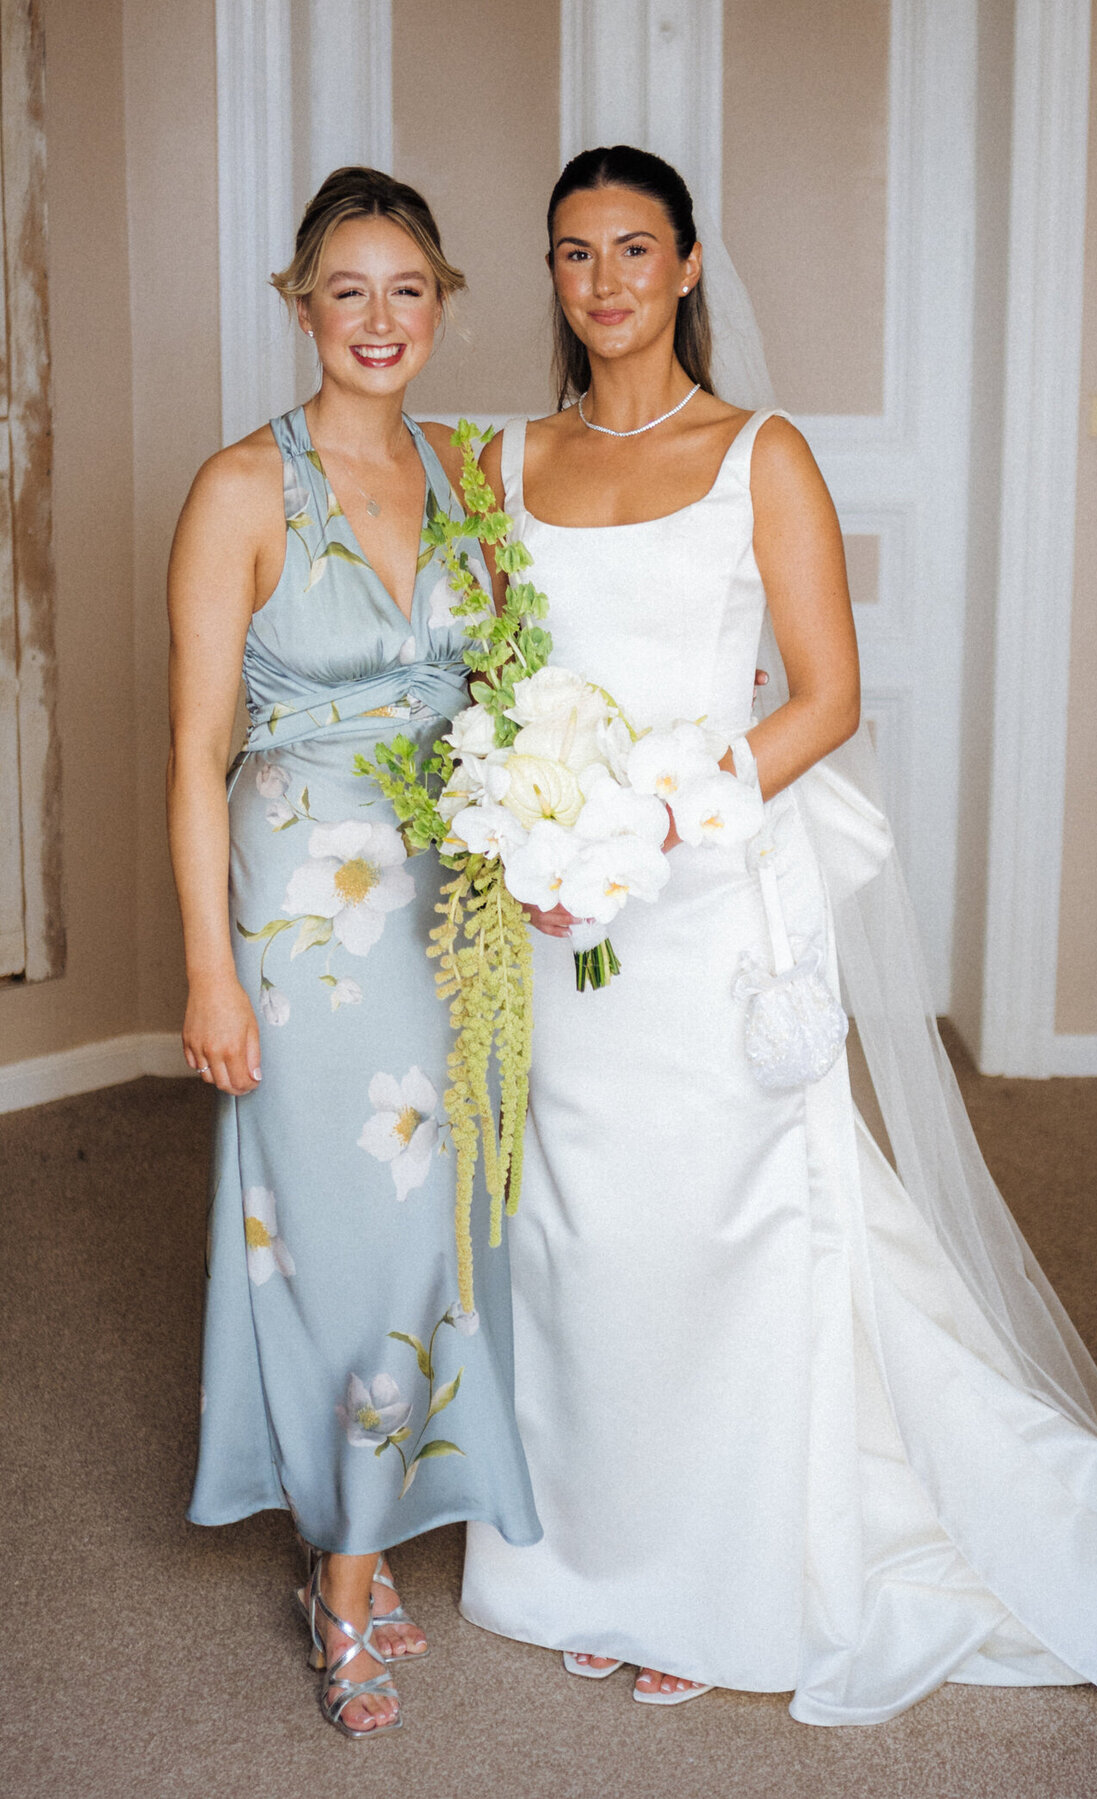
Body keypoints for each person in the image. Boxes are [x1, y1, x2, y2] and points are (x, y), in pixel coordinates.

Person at [459, 145, 1097, 1733]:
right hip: (555, 910)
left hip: (700, 902)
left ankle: (720, 1576)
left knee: (716, 1227)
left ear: (689, 264)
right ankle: (587, 1557)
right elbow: (490, 682)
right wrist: (530, 832)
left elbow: (827, 699)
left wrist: (643, 830)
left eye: (635, 249)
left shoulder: (760, 455)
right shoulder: (507, 462)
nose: (604, 282)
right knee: (578, 1231)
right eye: (575, 252)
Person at [167, 166, 538, 1739]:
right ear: (301, 306)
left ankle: (367, 1525)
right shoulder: (240, 488)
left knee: (441, 1223)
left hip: (451, 903)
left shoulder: (471, 472)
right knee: (337, 1229)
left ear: (442, 302)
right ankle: (344, 1576)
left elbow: (512, 687)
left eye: (407, 290)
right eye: (346, 291)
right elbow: (195, 753)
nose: (378, 320)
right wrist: (209, 970)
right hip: (309, 917)